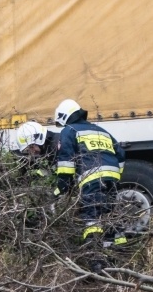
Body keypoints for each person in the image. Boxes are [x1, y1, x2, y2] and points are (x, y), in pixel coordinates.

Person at [53, 98, 127, 262]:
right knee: (110, 214)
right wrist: (114, 174)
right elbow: (120, 154)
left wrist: (62, 188)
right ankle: (119, 256)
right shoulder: (101, 130)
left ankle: (97, 262)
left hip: (91, 178)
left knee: (92, 216)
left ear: (64, 117)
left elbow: (66, 163)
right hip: (112, 177)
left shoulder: (69, 130)